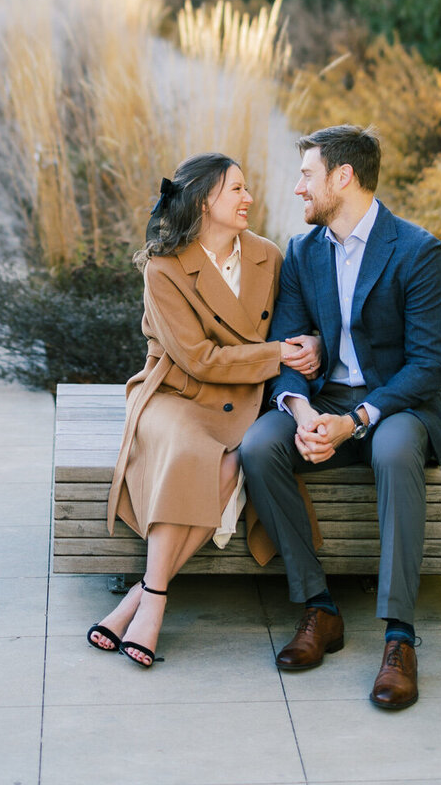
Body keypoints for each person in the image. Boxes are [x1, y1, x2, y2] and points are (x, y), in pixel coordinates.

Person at [240, 124, 441, 712]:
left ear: (343, 177)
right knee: (259, 447)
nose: (296, 188)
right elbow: (288, 347)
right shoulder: (304, 252)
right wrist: (305, 410)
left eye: (307, 175)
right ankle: (320, 608)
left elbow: (431, 365)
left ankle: (399, 638)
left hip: (396, 405)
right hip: (325, 398)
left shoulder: (418, 251)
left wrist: (356, 420)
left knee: (391, 450)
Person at [95, 152, 320, 668]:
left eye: (246, 188)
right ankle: (153, 605)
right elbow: (197, 358)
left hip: (246, 395)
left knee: (231, 465)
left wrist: (310, 346)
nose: (249, 198)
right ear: (203, 202)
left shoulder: (267, 255)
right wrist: (277, 353)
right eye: (236, 190)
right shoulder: (164, 266)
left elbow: (295, 325)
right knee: (190, 450)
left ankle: (143, 596)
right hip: (176, 392)